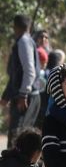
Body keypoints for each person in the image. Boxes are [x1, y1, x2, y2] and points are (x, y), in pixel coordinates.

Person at [4, 15, 40, 146]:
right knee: (20, 136)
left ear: (15, 27)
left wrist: (23, 94)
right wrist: (6, 96)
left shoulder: (24, 42)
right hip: (27, 95)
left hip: (26, 97)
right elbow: (16, 74)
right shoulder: (27, 40)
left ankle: (13, 166)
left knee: (17, 137)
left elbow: (29, 71)